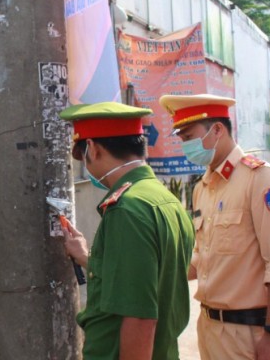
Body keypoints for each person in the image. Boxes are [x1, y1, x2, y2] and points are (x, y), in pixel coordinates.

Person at [158, 94, 270, 360]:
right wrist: (160, 271)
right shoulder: (203, 187)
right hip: (208, 326)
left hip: (246, 332)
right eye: (183, 140)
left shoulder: (259, 179)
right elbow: (203, 257)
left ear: (217, 130)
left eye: (189, 137)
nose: (186, 146)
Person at [59, 102, 195, 360]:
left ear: (94, 149)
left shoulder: (127, 210)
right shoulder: (165, 200)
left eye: (82, 155)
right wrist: (87, 257)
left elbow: (140, 318)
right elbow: (141, 278)